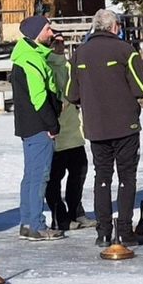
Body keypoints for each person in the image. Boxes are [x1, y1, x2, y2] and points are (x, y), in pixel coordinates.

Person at [67, 8, 143, 245]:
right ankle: (124, 230)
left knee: (102, 177)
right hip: (125, 124)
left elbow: (70, 93)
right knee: (126, 177)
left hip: (96, 126)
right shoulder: (126, 50)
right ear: (115, 27)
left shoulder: (80, 53)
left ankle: (103, 232)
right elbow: (141, 89)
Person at [10, 15, 64, 240]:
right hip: (38, 126)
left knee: (31, 176)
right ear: (36, 33)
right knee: (39, 176)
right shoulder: (31, 59)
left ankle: (27, 221)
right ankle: (36, 225)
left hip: (29, 125)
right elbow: (39, 97)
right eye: (48, 29)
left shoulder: (28, 55)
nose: (51, 33)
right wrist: (52, 124)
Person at [45, 34, 90, 233]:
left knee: (79, 170)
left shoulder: (69, 65)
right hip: (54, 129)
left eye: (63, 42)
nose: (60, 45)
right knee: (54, 177)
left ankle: (76, 210)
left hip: (72, 128)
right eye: (56, 41)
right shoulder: (47, 65)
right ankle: (59, 216)